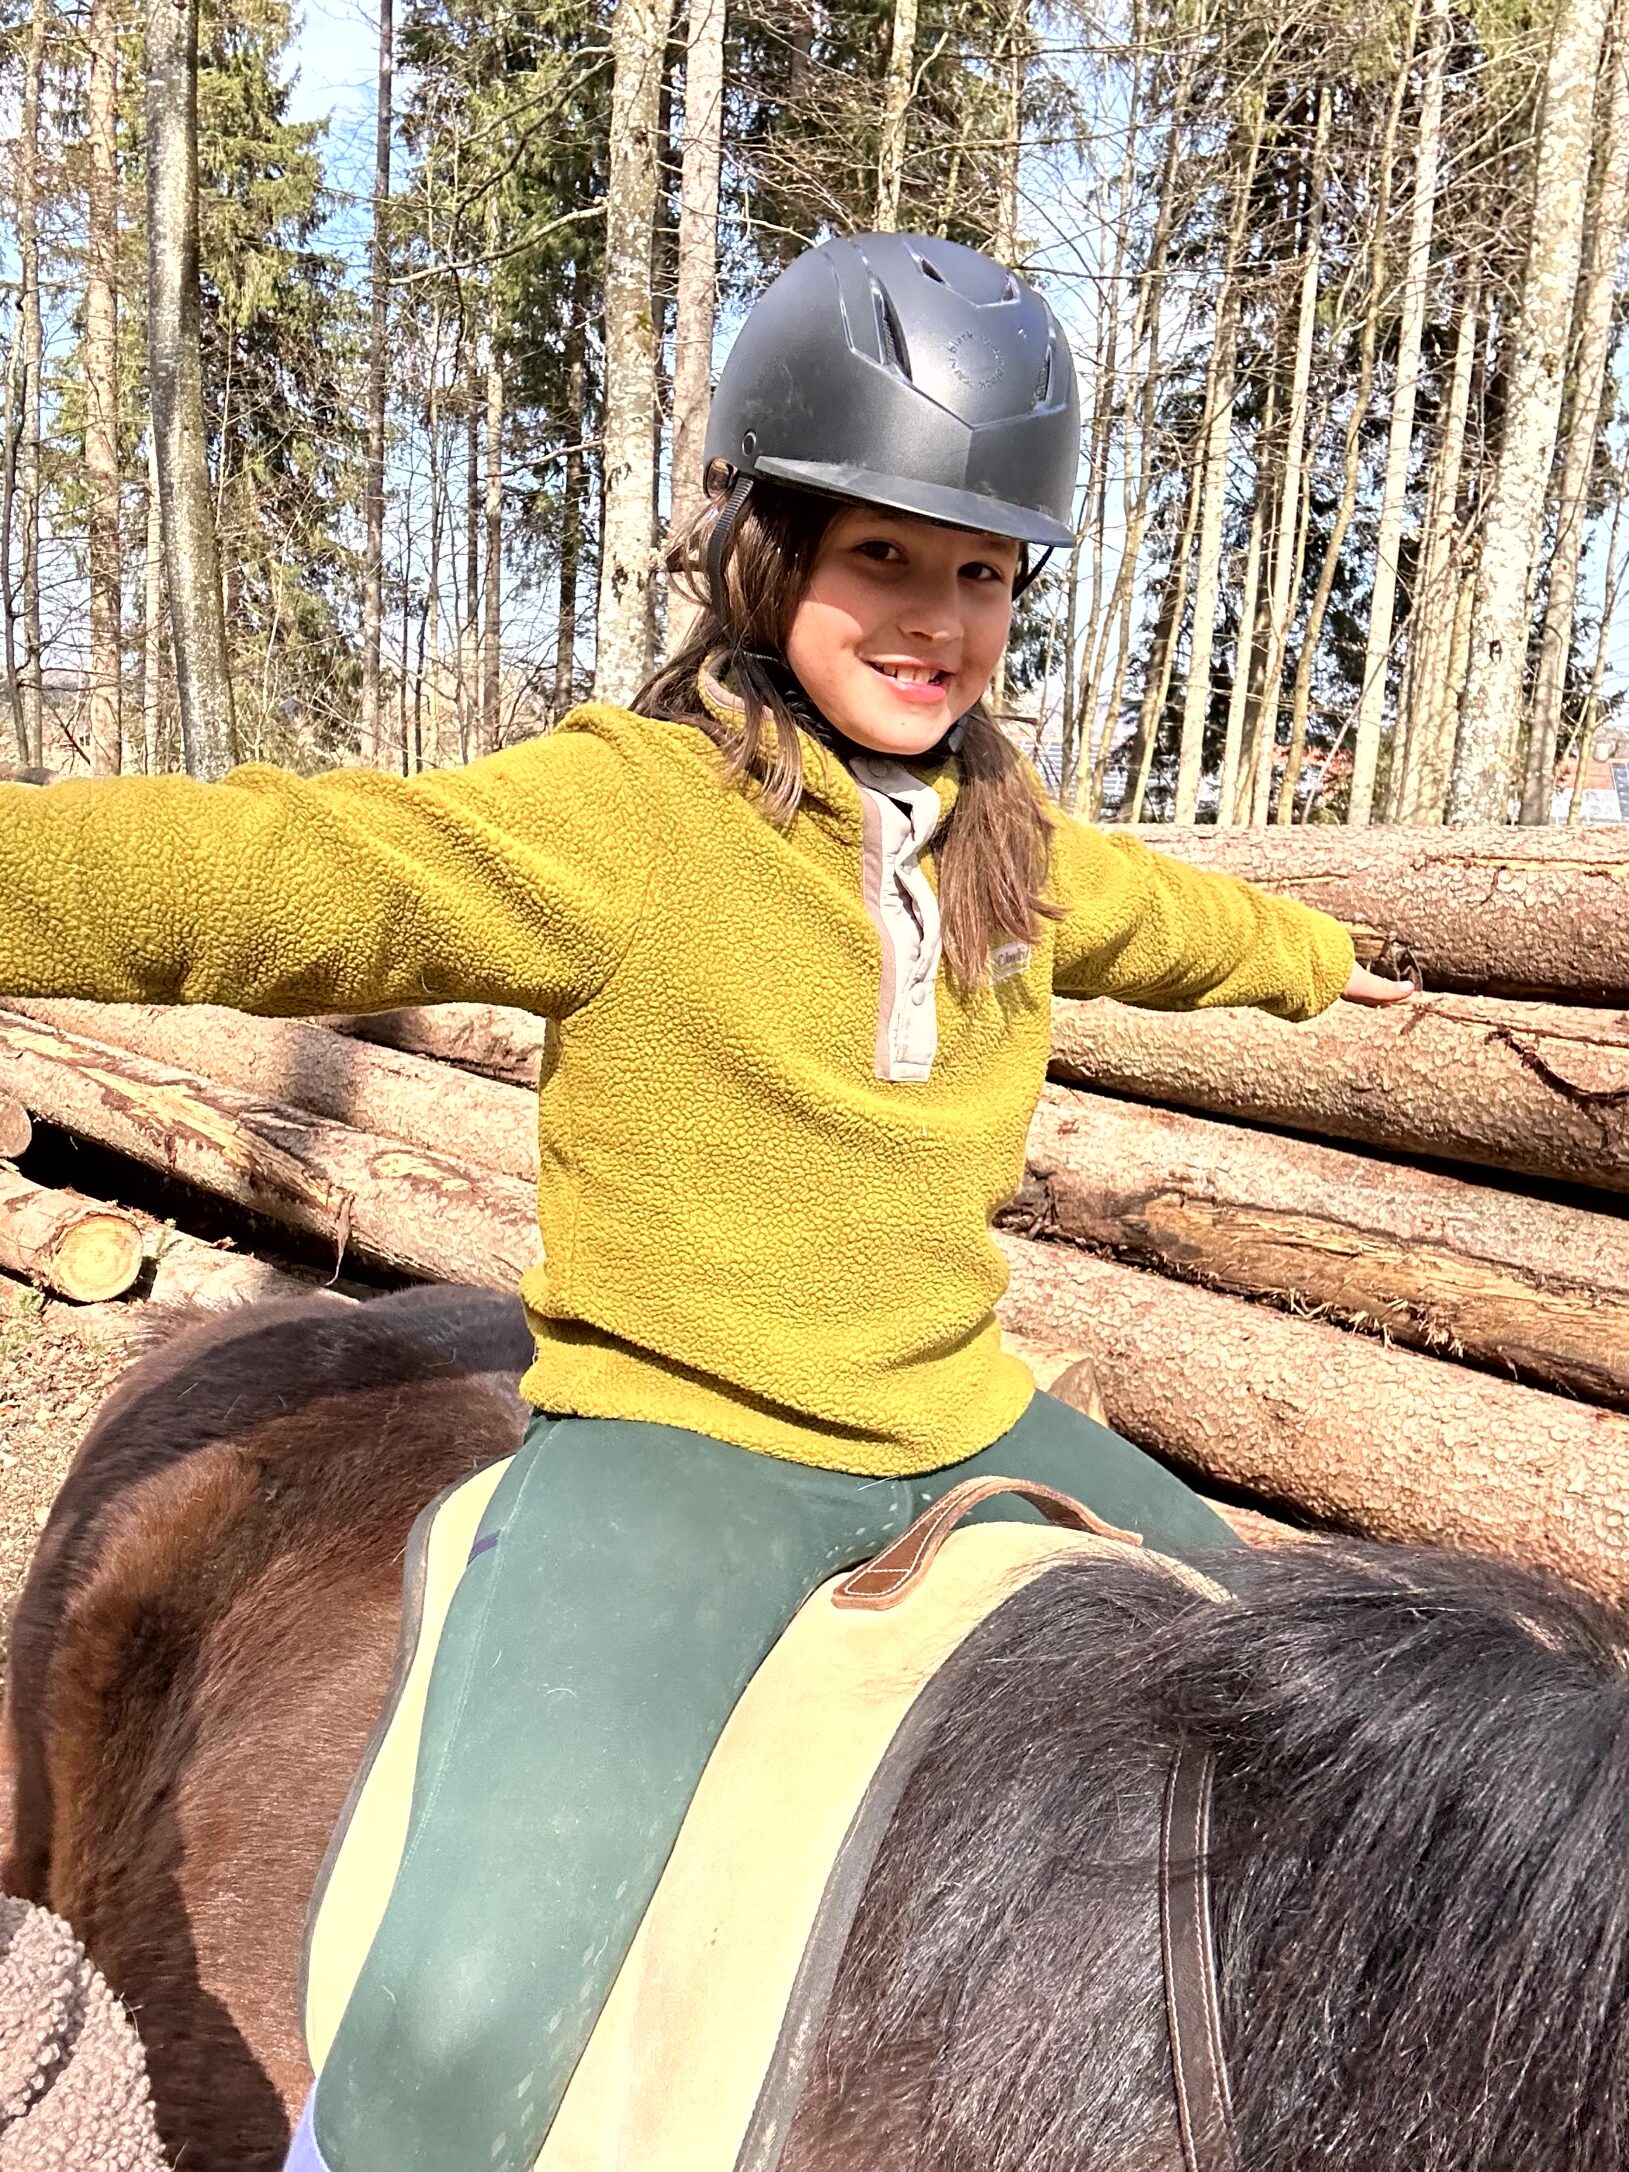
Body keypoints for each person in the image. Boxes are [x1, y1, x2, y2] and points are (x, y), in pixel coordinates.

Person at [0, 231, 1409, 2171]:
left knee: (1313, 1728)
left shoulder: (999, 841)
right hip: (684, 1444)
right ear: (768, 555)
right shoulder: (636, 818)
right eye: (882, 556)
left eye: (982, 575)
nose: (934, 621)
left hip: (964, 1418)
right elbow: (279, 871)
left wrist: (1326, 968)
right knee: (454, 2032)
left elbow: (1173, 923)